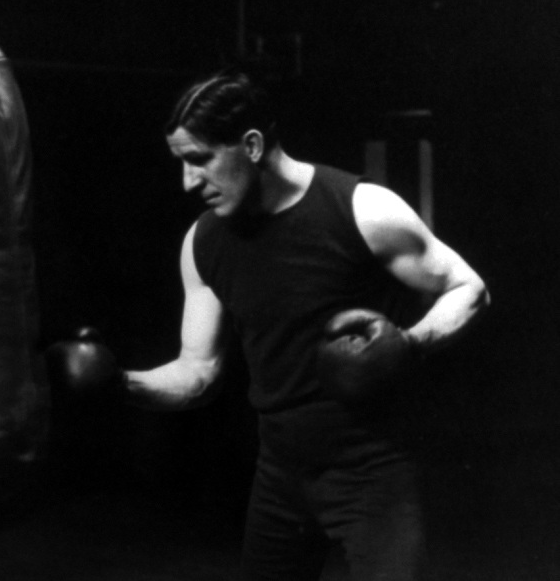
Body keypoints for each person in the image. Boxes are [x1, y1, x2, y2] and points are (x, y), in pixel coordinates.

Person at [122, 64, 490, 580]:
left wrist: (410, 344)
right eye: (181, 164)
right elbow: (197, 372)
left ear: (252, 145)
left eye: (199, 160)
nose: (188, 181)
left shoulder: (361, 210)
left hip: (373, 473)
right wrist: (118, 385)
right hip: (280, 478)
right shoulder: (203, 242)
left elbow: (468, 287)